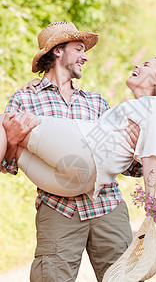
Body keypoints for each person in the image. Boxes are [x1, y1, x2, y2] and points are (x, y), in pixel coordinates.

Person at [1, 21, 142, 282]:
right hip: (58, 210)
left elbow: (124, 164)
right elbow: (9, 163)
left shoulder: (97, 102)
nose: (85, 56)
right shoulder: (24, 100)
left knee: (127, 278)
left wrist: (139, 149)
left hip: (107, 207)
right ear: (58, 51)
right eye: (78, 49)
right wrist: (12, 139)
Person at [1, 56, 156, 211]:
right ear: (57, 53)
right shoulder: (137, 110)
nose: (137, 64)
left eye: (147, 65)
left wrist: (151, 203)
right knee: (17, 143)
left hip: (88, 160)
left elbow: (152, 156)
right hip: (78, 185)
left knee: (4, 120)